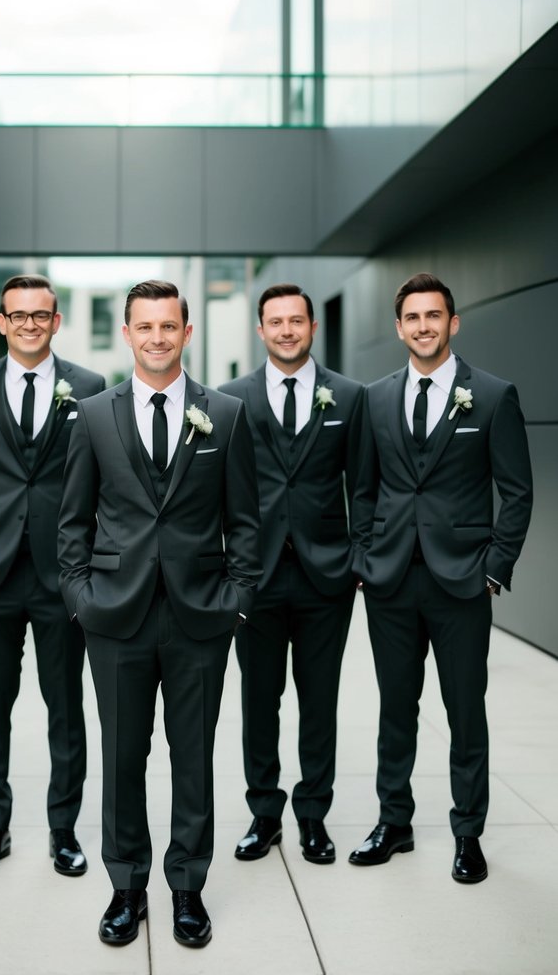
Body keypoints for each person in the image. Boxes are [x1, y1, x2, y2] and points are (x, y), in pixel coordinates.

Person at [58, 280, 261, 949]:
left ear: (186, 333)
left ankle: (187, 888)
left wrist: (235, 601)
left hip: (200, 616)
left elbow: (244, 522)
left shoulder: (224, 414)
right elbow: (72, 523)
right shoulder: (91, 415)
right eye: (143, 326)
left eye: (167, 326)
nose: (155, 337)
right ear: (126, 333)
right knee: (122, 757)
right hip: (114, 617)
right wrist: (81, 599)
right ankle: (125, 886)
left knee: (193, 759)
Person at [349, 272, 533, 883]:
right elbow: (363, 489)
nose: (423, 326)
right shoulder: (374, 399)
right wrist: (364, 562)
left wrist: (494, 571)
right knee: (395, 708)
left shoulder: (493, 395)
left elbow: (518, 492)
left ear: (453, 323)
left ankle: (467, 832)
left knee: (464, 711)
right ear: (399, 326)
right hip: (391, 582)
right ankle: (393, 822)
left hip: (462, 585)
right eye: (412, 317)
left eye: (435, 316)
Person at [0, 274, 104, 878]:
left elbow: (93, 481)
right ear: (2, 323)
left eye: (42, 315)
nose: (30, 324)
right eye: (19, 315)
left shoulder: (87, 387)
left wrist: (83, 562)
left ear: (56, 322)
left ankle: (63, 830)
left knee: (65, 706)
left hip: (60, 575)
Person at [220, 284, 362, 866]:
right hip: (254, 575)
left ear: (311, 327)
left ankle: (313, 816)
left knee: (319, 700)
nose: (286, 330)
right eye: (275, 322)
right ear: (260, 330)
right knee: (259, 699)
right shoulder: (229, 400)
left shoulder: (348, 397)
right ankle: (264, 813)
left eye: (296, 321)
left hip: (326, 574)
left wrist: (358, 557)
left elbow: (367, 484)